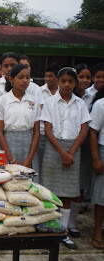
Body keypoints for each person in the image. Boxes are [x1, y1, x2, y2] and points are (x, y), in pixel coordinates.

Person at [40, 67, 91, 250]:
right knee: (51, 192)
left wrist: (71, 152)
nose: (67, 84)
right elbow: (47, 129)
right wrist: (63, 153)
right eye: (63, 81)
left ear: (75, 83)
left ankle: (64, 230)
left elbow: (84, 129)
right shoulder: (50, 102)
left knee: (68, 193)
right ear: (58, 82)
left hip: (73, 149)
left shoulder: (80, 104)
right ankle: (50, 228)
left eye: (71, 81)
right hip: (54, 149)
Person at [0, 64, 40, 169]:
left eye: (27, 77)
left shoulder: (33, 101)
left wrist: (30, 157)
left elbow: (36, 131)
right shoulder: (2, 101)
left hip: (29, 146)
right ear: (11, 79)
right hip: (9, 146)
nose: (25, 81)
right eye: (21, 77)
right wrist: (11, 159)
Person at [72, 64, 93, 219]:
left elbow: (85, 128)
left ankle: (72, 221)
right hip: (61, 145)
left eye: (87, 77)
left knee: (79, 183)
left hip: (83, 144)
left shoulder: (92, 97)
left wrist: (72, 150)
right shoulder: (57, 100)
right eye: (81, 77)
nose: (84, 80)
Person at [38, 64, 60, 182]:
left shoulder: (61, 92)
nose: (48, 79)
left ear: (57, 78)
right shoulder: (40, 91)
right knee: (42, 162)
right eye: (46, 76)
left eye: (50, 76)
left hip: (57, 134)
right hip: (42, 132)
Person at [89, 90, 104, 249]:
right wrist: (96, 158)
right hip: (103, 149)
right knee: (101, 196)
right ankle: (97, 231)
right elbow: (93, 131)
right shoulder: (101, 104)